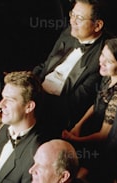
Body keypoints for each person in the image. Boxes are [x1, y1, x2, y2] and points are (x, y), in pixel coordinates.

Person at [33, 0, 109, 130]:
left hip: (55, 109)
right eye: (72, 15)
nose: (72, 21)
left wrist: (37, 99)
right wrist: (28, 81)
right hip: (36, 90)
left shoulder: (103, 55)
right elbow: (45, 65)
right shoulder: (69, 33)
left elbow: (75, 103)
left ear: (97, 25)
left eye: (79, 18)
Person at [63, 36, 117, 146]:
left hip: (99, 144)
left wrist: (74, 140)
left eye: (109, 61)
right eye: (102, 55)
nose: (101, 62)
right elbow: (96, 104)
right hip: (91, 127)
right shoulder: (108, 76)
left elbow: (103, 136)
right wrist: (78, 125)